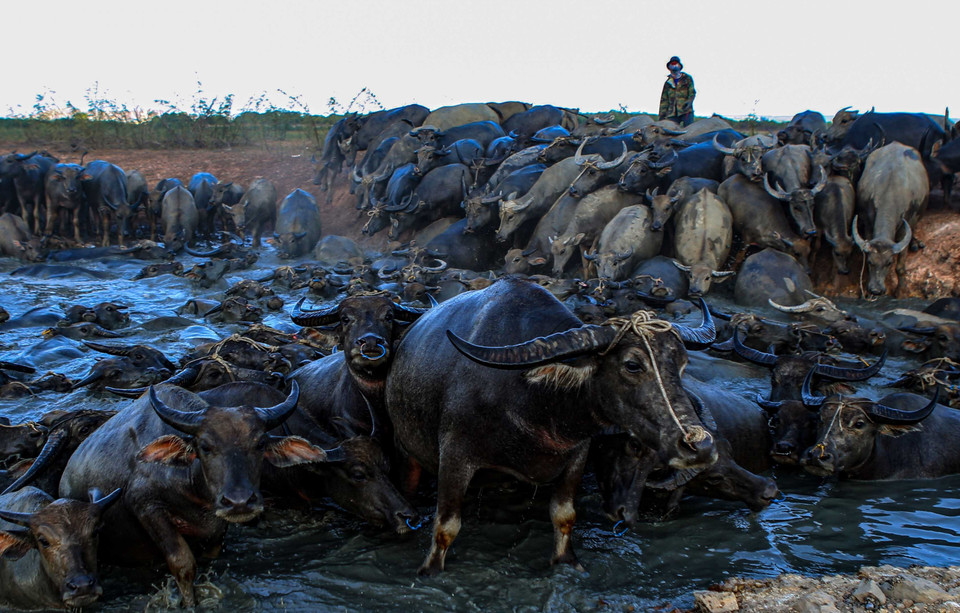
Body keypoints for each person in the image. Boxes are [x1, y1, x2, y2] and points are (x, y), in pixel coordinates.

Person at [658, 56, 696, 127]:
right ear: (669, 67)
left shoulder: (687, 79)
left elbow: (692, 92)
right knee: (670, 132)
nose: (674, 66)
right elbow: (664, 100)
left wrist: (689, 102)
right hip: (671, 113)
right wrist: (662, 116)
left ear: (679, 66)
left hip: (685, 110)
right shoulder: (668, 83)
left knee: (689, 130)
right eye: (672, 64)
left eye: (676, 64)